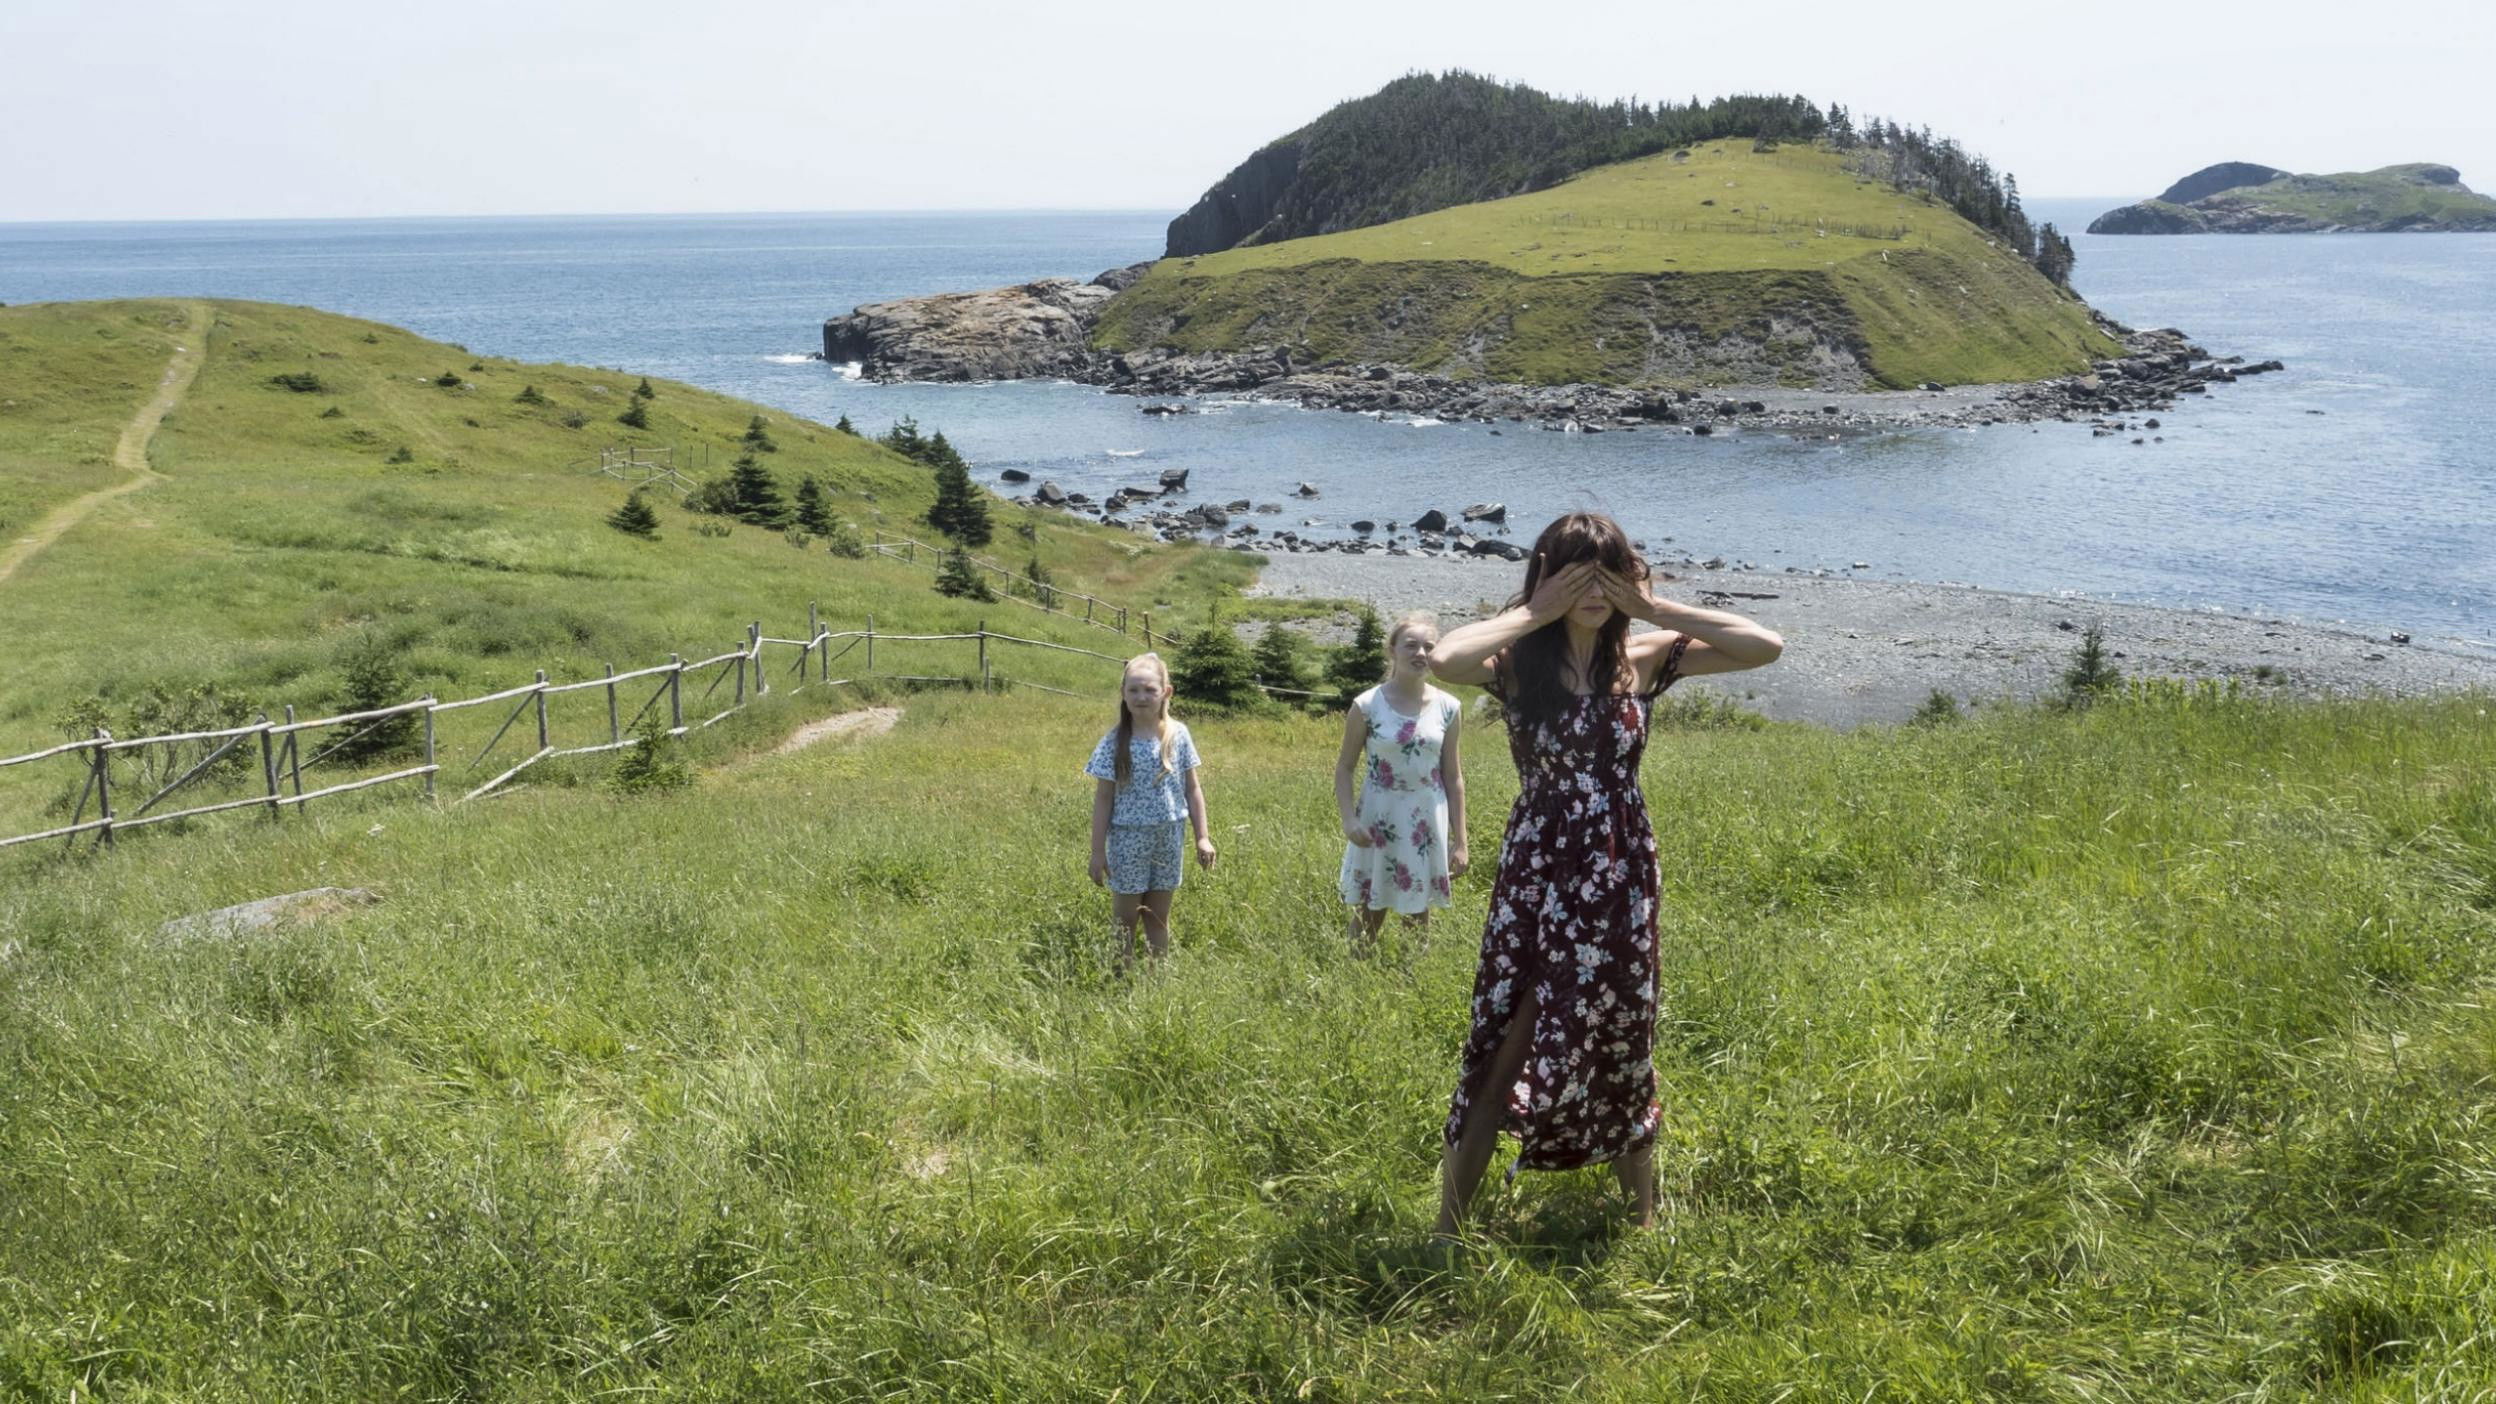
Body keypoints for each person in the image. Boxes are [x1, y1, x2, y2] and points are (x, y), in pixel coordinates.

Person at [1428, 512, 1783, 1237]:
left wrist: (1653, 606)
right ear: (1546, 575)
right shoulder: (1517, 663)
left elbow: (1764, 646)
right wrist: (1535, 612)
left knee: (1623, 1039)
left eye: (1608, 569)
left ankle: (1642, 1220)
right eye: (1574, 570)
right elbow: (1443, 660)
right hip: (1540, 875)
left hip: (1620, 876)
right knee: (1505, 1042)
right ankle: (1448, 1227)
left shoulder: (1644, 658)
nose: (1593, 587)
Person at [1335, 612, 1468, 954]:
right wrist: (1349, 820)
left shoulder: (1449, 707)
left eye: (1428, 647)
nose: (1420, 653)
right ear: (1392, 650)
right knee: (1370, 908)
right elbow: (1345, 768)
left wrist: (1460, 842)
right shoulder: (1366, 705)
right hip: (1378, 819)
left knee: (1417, 908)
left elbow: (1453, 777)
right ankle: (1354, 979)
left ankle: (1411, 984)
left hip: (1426, 821)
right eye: (1411, 645)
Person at [1086, 652, 1215, 963]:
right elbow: (1103, 800)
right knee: (1126, 919)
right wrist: (1097, 852)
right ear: (1123, 693)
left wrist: (1202, 837)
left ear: (1165, 693)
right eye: (1134, 690)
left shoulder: (1178, 735)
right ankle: (1120, 978)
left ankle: (1157, 980)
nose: (1141, 697)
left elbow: (1192, 788)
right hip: (1128, 841)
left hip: (1168, 840)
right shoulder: (1115, 741)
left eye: (1149, 690)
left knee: (1157, 918)